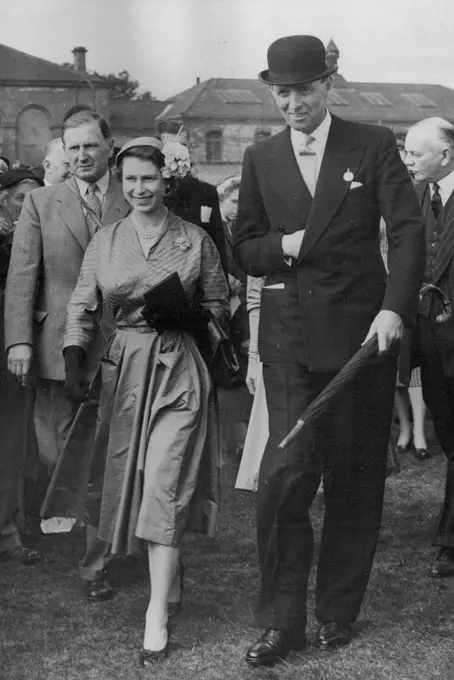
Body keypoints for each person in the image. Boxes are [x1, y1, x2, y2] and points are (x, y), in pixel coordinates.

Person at [233, 35, 425, 667]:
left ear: (328, 84)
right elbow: (246, 248)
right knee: (283, 479)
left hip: (360, 339)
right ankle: (279, 622)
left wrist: (394, 307)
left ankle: (337, 610)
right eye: (282, 92)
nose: (293, 102)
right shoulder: (260, 157)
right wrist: (286, 246)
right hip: (288, 341)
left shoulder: (369, 144)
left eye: (304, 89)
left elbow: (405, 227)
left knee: (355, 478)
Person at [61, 136, 228, 664]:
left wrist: (195, 317)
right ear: (119, 181)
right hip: (125, 372)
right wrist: (72, 356)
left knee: (163, 481)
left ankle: (156, 611)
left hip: (179, 369)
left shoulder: (195, 240)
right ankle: (171, 575)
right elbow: (82, 305)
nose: (139, 189)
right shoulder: (106, 240)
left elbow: (222, 306)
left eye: (149, 179)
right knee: (135, 479)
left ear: (167, 180)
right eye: (130, 179)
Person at [4, 109, 130, 598]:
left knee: (113, 447)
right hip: (57, 346)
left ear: (108, 146)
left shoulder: (133, 192)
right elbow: (22, 276)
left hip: (121, 344)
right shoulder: (41, 201)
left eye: (90, 146)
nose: (81, 156)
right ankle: (94, 524)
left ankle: (105, 552)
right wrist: (18, 339)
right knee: (56, 448)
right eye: (73, 147)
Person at [404, 117, 454, 578]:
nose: (409, 160)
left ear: (446, 155)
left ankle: (451, 541)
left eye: (416, 153)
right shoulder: (418, 196)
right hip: (431, 342)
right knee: (449, 437)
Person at [0, 168, 44, 564]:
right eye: (20, 201)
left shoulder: (35, 240)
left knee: (13, 440)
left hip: (14, 352)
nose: (27, 209)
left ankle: (9, 531)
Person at [159, 121, 228, 275]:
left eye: (182, 145)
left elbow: (217, 244)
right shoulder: (154, 193)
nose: (177, 152)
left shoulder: (207, 192)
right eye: (171, 146)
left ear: (189, 147)